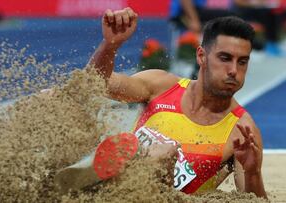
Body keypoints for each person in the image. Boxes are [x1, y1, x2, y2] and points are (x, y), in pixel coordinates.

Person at [55, 7, 267, 198]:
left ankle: (95, 176)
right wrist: (110, 45)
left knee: (164, 153)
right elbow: (95, 84)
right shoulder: (161, 85)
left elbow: (253, 200)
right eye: (225, 58)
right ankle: (76, 178)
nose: (233, 70)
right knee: (54, 97)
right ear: (201, 56)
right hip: (117, 185)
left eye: (242, 62)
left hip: (165, 197)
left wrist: (253, 173)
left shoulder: (242, 131)